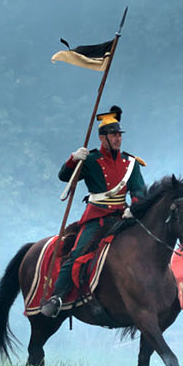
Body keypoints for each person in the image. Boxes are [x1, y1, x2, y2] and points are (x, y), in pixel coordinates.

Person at [41, 105, 147, 318]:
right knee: (77, 254)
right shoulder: (90, 159)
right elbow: (64, 177)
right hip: (97, 218)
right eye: (113, 135)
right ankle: (57, 297)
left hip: (123, 218)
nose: (118, 139)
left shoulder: (131, 163)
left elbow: (139, 190)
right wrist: (74, 159)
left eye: (119, 135)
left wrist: (134, 208)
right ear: (102, 137)